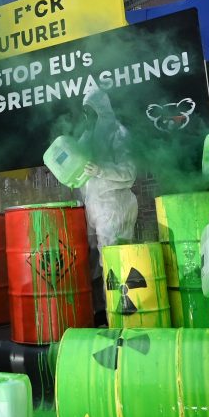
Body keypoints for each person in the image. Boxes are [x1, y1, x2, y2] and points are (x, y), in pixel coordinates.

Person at [77, 88, 137, 325]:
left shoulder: (119, 133)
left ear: (101, 109)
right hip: (92, 207)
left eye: (90, 111)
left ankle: (119, 316)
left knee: (113, 263)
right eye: (84, 112)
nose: (86, 117)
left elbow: (129, 172)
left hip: (115, 207)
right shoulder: (86, 136)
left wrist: (101, 170)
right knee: (92, 264)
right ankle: (98, 314)